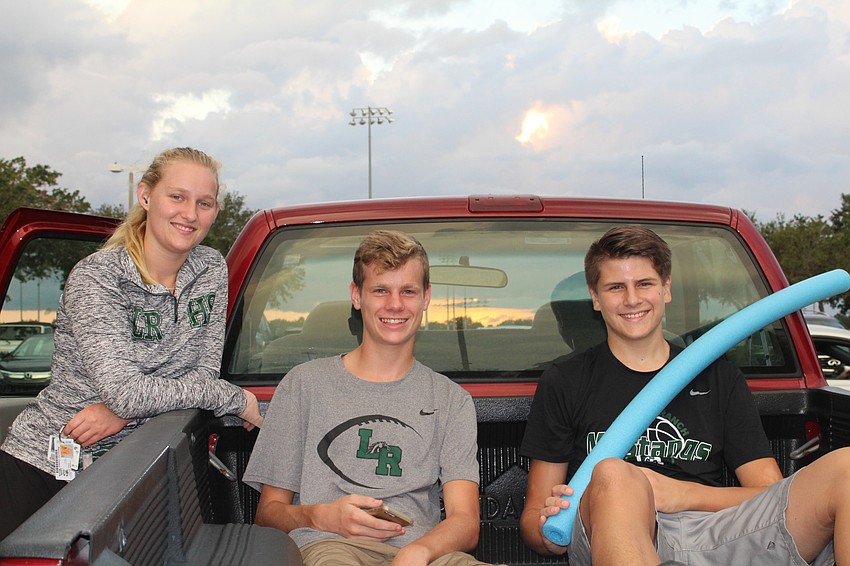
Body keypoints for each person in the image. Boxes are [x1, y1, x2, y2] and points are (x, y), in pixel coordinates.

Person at [519, 225, 848, 566]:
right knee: (613, 474)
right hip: (616, 534)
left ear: (666, 289)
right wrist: (549, 534)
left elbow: (768, 496)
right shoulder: (566, 381)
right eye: (616, 287)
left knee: (846, 466)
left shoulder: (718, 377)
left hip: (715, 534)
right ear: (596, 297)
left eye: (644, 283)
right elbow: (532, 520)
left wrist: (680, 494)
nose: (632, 299)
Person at [0, 147, 263, 540]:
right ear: (145, 196)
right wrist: (233, 398)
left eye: (204, 202)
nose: (190, 214)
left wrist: (125, 412)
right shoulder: (99, 278)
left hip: (143, 464)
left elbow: (199, 373)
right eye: (177, 197)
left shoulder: (210, 269)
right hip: (49, 466)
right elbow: (143, 390)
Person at [243, 230, 485, 566]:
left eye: (408, 291)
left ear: (426, 297)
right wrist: (321, 517)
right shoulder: (304, 385)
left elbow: (465, 521)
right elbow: (268, 514)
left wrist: (419, 552)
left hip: (422, 554)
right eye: (380, 290)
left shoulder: (451, 400)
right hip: (330, 547)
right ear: (356, 295)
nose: (395, 304)